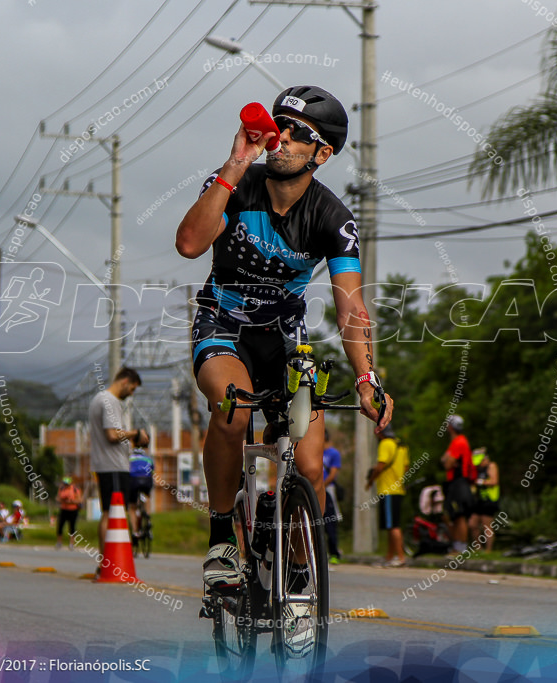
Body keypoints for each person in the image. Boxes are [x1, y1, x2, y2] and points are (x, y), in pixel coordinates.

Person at [176, 85, 394, 590]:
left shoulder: (332, 217)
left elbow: (351, 306)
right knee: (232, 411)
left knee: (312, 465)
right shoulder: (236, 184)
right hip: (224, 324)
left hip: (284, 337)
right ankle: (221, 539)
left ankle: (298, 575)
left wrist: (366, 378)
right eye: (279, 125)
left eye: (299, 133)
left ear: (323, 154)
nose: (282, 138)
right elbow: (188, 244)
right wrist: (234, 164)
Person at [88, 366, 147, 571]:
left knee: (110, 512)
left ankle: (106, 561)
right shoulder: (110, 401)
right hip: (112, 466)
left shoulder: (102, 399)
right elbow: (112, 435)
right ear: (124, 382)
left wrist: (133, 439)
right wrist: (135, 433)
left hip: (109, 464)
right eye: (132, 389)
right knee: (111, 513)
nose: (131, 393)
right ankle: (106, 563)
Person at [365, 425, 409, 568]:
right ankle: (390, 557)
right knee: (391, 525)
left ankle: (400, 557)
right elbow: (406, 467)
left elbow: (380, 466)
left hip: (388, 489)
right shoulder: (400, 445)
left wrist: (371, 481)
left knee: (393, 526)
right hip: (399, 489)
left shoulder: (385, 444)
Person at [441, 415, 477, 555]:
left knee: (459, 515)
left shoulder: (458, 442)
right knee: (453, 515)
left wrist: (447, 461)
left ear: (450, 427)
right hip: (457, 483)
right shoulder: (459, 441)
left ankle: (461, 547)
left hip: (459, 482)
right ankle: (457, 546)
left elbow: (447, 463)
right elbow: (446, 460)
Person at [468, 448, 500, 552]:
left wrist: (481, 482)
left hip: (490, 499)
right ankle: (478, 548)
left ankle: (488, 550)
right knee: (472, 524)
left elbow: (494, 481)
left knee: (487, 526)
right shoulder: (477, 469)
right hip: (478, 500)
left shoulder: (491, 466)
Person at [128, 443, 155, 549]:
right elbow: (152, 470)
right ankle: (147, 516)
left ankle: (135, 532)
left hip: (133, 480)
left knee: (132, 507)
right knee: (147, 496)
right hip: (146, 480)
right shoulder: (148, 458)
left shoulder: (129, 458)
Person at [322, 429, 342, 564]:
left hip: (327, 489)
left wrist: (321, 486)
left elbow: (333, 474)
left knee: (330, 522)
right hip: (312, 489)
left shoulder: (333, 453)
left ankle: (334, 553)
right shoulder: (313, 451)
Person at [55, 476, 83, 549]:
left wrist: (71, 501)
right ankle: (59, 542)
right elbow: (58, 498)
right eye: (65, 484)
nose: (65, 485)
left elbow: (79, 500)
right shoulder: (61, 489)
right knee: (60, 526)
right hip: (64, 509)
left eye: (67, 484)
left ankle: (71, 543)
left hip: (73, 510)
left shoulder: (75, 489)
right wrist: (63, 500)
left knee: (72, 527)